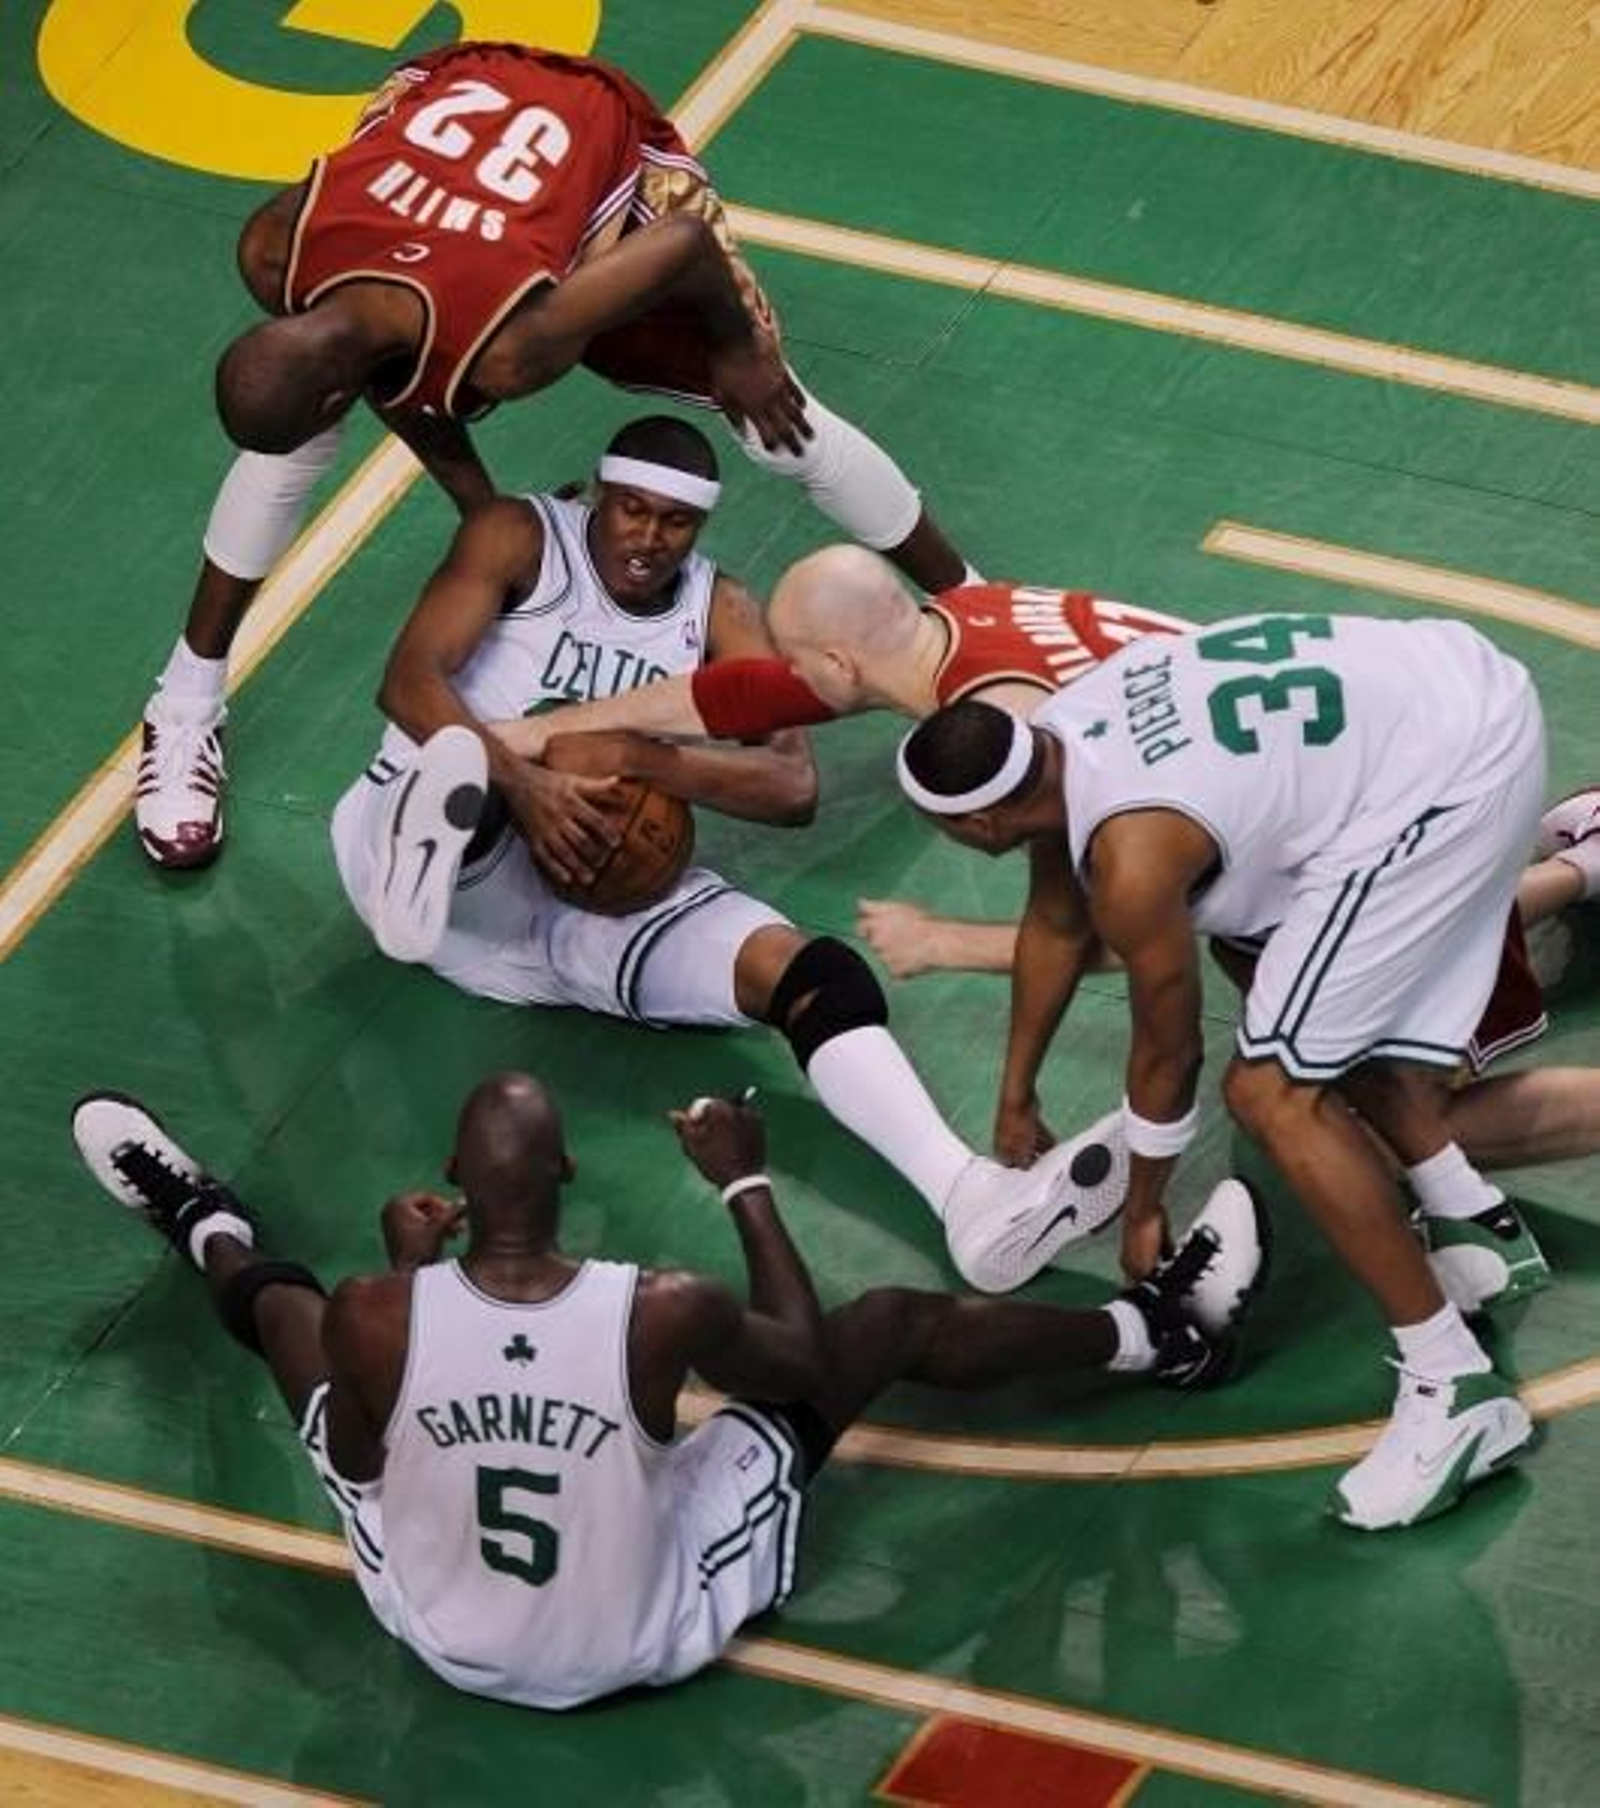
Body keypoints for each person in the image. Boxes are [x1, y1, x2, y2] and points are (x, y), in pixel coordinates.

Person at [68, 1075, 1262, 1710]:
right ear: (570, 1171)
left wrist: (402, 1274)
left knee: (291, 1317)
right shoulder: (657, 1306)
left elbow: (374, 1466)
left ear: (447, 1186)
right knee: (891, 1321)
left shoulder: (380, 1309)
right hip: (633, 1632)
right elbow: (800, 1356)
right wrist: (746, 1183)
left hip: (444, 1629)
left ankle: (198, 1214)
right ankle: (1161, 1335)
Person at [493, 544, 1595, 1196]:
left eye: (799, 666)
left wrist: (950, 945)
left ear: (837, 660)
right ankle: (1579, 864)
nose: (787, 681)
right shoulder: (953, 622)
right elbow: (745, 699)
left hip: (1366, 831)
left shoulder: (1016, 733)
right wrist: (540, 732)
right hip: (1340, 766)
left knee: (1385, 1117)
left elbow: (1126, 928)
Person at [328, 415, 1131, 1294]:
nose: (648, 537)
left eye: (674, 522)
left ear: (700, 526)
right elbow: (407, 681)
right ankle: (432, 838)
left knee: (819, 974)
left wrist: (650, 760)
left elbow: (793, 787)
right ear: (598, 495)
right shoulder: (521, 537)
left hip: (593, 899)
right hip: (453, 866)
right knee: (520, 765)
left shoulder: (723, 609)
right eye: (630, 510)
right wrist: (529, 788)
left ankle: (968, 1197)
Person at [137, 44, 974, 871]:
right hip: (459, 93)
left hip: (596, 141)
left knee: (775, 417)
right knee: (294, 451)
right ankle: (183, 704)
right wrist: (492, 519)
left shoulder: (509, 351)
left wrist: (734, 347)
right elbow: (396, 379)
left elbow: (683, 246)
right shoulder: (273, 250)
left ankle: (976, 612)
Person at [891, 609, 1560, 1531]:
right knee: (1259, 955)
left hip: (1449, 774)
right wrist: (1016, 1096)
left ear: (982, 819)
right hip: (1445, 696)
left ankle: (1456, 1390)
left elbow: (1171, 1052)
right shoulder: (1061, 738)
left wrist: (1145, 1206)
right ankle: (1470, 1219)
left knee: (1270, 1089)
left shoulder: (1132, 855)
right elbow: (1052, 921)